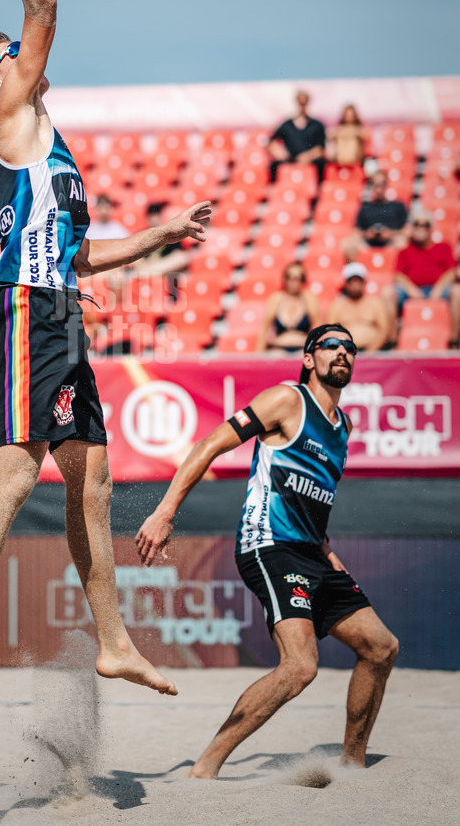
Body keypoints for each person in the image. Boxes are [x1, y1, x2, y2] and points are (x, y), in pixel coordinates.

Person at [0, 0, 212, 726]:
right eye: (10, 55)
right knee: (14, 475)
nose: (27, 55)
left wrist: (161, 235)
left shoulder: (49, 149)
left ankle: (114, 641)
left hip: (55, 302)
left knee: (89, 477)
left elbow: (82, 253)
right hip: (23, 307)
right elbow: (44, 2)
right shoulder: (7, 112)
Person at [136, 324, 398, 779]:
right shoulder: (287, 400)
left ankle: (352, 766)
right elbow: (210, 443)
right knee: (299, 667)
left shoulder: (343, 427)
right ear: (309, 357)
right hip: (269, 546)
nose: (342, 352)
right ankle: (206, 765)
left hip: (313, 553)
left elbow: (312, 500)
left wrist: (328, 553)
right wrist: (165, 511)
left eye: (350, 348)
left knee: (381, 647)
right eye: (331, 345)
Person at [380, 208, 456, 344]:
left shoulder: (444, 247)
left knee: (457, 292)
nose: (421, 228)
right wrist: (412, 290)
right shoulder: (404, 251)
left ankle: (454, 340)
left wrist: (438, 289)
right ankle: (392, 341)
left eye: (425, 224)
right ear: (411, 228)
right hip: (412, 291)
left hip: (439, 290)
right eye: (417, 224)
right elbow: (398, 275)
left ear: (431, 228)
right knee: (388, 293)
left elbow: (451, 272)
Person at [342, 169, 407, 261]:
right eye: (375, 184)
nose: (379, 188)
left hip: (391, 243)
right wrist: (367, 234)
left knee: (402, 243)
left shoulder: (398, 205)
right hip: (368, 245)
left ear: (387, 185)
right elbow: (356, 231)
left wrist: (389, 234)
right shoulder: (365, 208)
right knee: (347, 243)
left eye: (382, 183)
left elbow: (407, 231)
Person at [255, 262, 320, 352]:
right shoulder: (276, 299)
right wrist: (258, 354)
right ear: (285, 279)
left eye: (298, 278)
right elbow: (264, 329)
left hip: (302, 348)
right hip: (279, 348)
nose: (294, 282)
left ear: (303, 281)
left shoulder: (308, 299)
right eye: (290, 277)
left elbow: (318, 328)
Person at [267, 91, 326, 183]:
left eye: (304, 103)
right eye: (299, 102)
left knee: (322, 165)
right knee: (274, 165)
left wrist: (307, 157)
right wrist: (280, 153)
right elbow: (270, 142)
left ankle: (318, 193)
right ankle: (274, 192)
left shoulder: (316, 125)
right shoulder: (287, 125)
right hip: (290, 160)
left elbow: (321, 149)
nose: (301, 105)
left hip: (310, 160)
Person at [328, 263, 389, 352]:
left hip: (373, 352)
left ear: (364, 282)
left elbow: (384, 330)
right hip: (346, 352)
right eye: (351, 280)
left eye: (358, 280)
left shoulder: (375, 304)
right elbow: (331, 332)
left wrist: (371, 351)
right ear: (345, 283)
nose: (354, 284)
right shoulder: (337, 306)